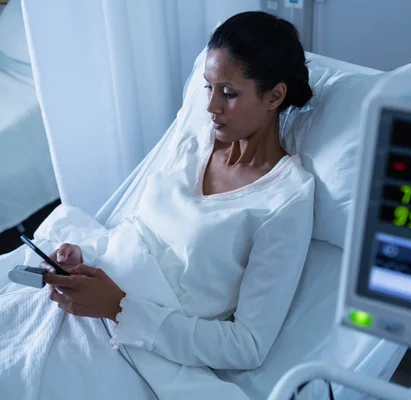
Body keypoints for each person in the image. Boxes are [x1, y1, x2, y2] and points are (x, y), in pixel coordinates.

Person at [0, 11, 315, 399]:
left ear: (275, 95)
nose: (211, 107)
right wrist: (85, 255)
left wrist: (119, 308)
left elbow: (247, 344)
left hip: (133, 345)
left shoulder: (285, 200)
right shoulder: (194, 145)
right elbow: (137, 232)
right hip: (87, 296)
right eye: (208, 88)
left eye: (229, 93)